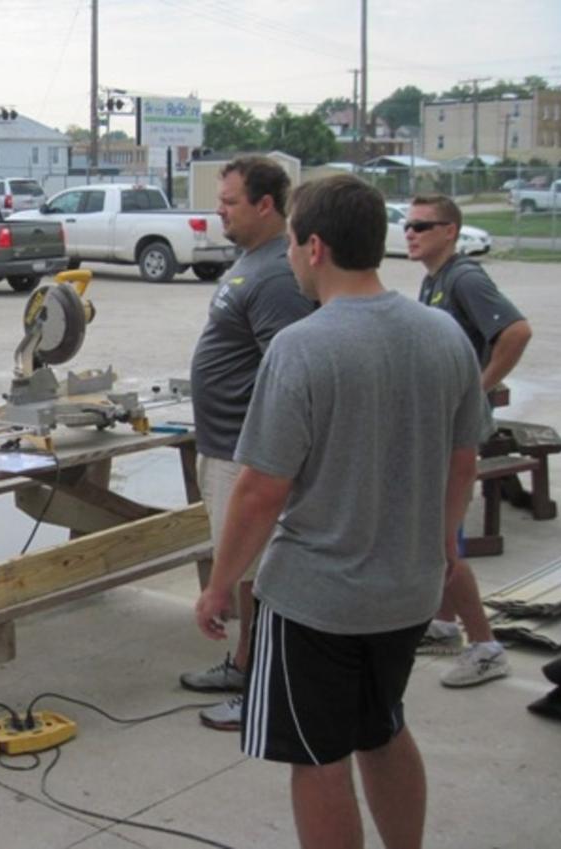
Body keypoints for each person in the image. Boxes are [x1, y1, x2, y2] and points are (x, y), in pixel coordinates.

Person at [195, 174, 489, 849]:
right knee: (383, 727)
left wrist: (220, 584)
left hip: (316, 600)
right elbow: (462, 460)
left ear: (315, 246)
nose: (291, 256)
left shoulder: (303, 346)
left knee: (318, 756)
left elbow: (261, 487)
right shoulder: (443, 334)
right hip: (408, 590)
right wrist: (444, 543)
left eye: (294, 242)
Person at [183, 155, 315, 730]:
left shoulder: (279, 276)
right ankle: (244, 664)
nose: (220, 211)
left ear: (266, 205)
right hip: (223, 444)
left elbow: (289, 374)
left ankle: (265, 686)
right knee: (242, 571)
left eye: (231, 202)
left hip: (246, 451)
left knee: (259, 573)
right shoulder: (252, 262)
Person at [406, 193, 531, 688]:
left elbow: (517, 331)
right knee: (437, 535)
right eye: (409, 225)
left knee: (443, 540)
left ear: (451, 231)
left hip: (453, 432)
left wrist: (476, 387)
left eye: (423, 225)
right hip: (437, 426)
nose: (411, 233)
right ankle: (442, 623)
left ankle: (485, 646)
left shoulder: (465, 278)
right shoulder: (434, 280)